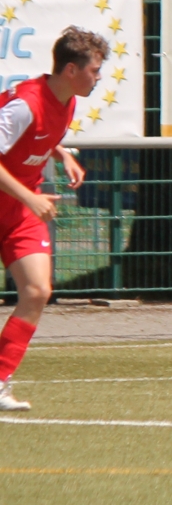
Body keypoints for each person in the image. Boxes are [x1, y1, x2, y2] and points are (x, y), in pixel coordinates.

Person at [0, 27, 107, 412]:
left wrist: (61, 154)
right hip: (23, 200)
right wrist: (30, 196)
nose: (98, 77)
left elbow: (40, 133)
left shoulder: (66, 101)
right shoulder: (24, 104)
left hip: (19, 212)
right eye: (94, 70)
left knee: (36, 291)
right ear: (70, 70)